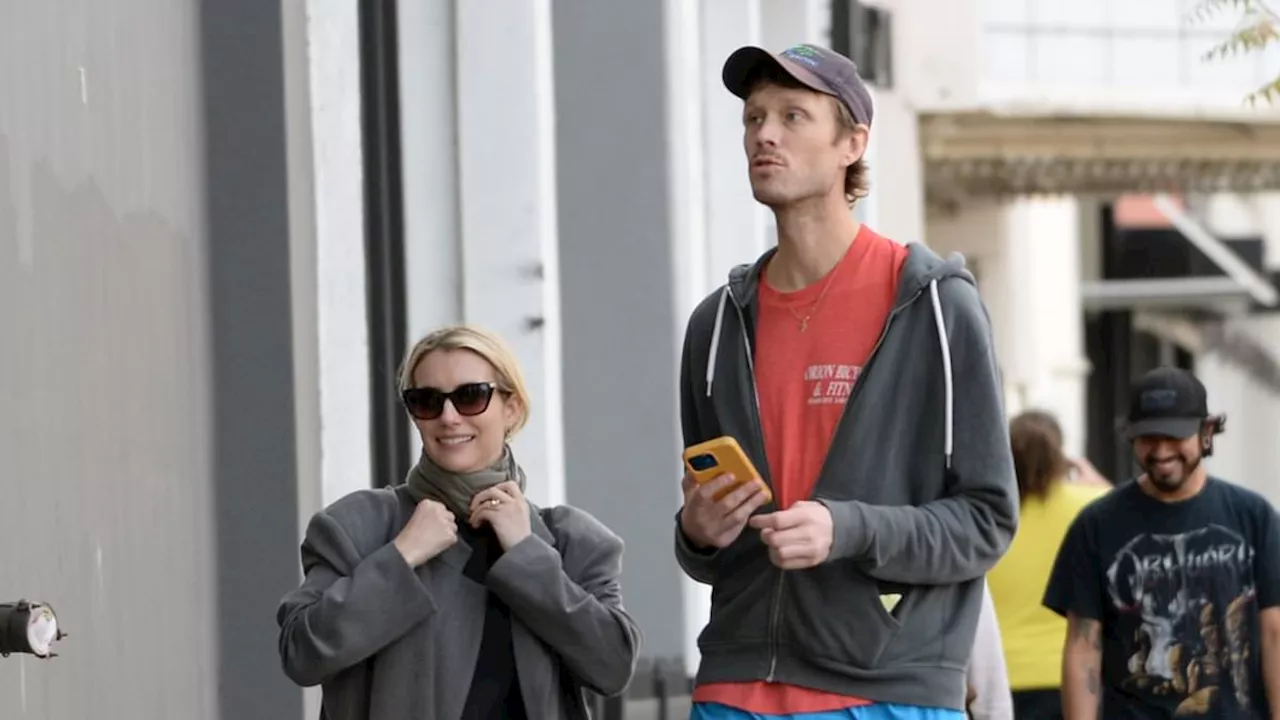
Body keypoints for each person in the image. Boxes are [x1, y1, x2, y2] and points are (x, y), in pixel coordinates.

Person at [673, 42, 1019, 720]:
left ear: (851, 143)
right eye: (753, 117)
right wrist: (698, 531)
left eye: (793, 116)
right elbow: (706, 553)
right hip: (732, 687)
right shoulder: (715, 326)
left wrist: (848, 530)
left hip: (884, 689)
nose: (763, 134)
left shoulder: (935, 308)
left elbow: (987, 522)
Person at [277, 325, 641, 720]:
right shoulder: (359, 526)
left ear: (512, 407)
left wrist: (528, 555)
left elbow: (613, 667)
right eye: (428, 401)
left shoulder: (569, 540)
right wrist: (400, 557)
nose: (448, 417)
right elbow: (302, 653)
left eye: (471, 396)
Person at [1043, 366, 1280, 719]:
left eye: (1174, 437)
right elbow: (1082, 648)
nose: (1161, 450)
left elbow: (1274, 633)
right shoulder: (1096, 525)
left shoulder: (1252, 517)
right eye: (1149, 438)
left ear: (1207, 432)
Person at [987, 410, 1110, 720]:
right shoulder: (1091, 507)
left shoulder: (986, 513)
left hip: (996, 681)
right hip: (1066, 679)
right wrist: (1100, 483)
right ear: (1061, 454)